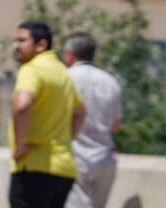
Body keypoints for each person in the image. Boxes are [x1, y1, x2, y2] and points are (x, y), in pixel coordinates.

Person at [9, 22, 86, 208]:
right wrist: (66, 141)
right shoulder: (62, 72)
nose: (15, 46)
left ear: (41, 45)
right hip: (63, 170)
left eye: (21, 40)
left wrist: (19, 146)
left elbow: (21, 106)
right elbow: (80, 113)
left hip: (34, 167)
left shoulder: (32, 69)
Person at [63, 33, 122, 208]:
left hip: (77, 157)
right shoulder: (111, 81)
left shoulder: (65, 78)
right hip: (105, 158)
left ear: (69, 54)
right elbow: (116, 125)